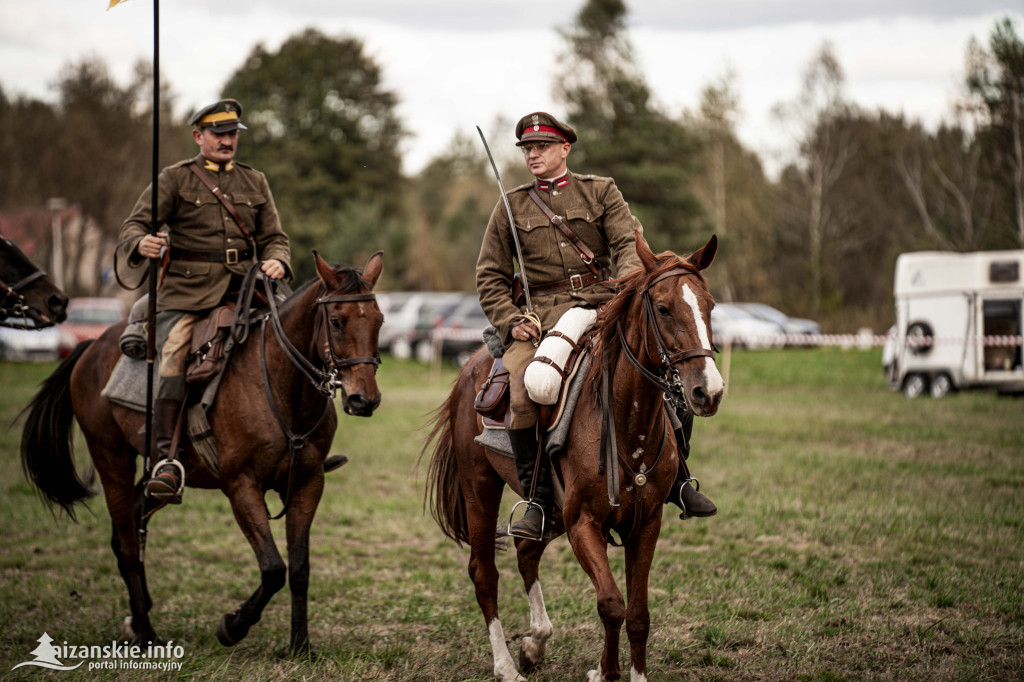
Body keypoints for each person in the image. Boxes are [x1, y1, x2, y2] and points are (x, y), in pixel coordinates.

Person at [475, 112, 716, 539]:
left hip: (604, 304)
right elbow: (490, 276)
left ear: (564, 149)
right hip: (540, 320)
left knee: (669, 376)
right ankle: (536, 500)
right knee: (525, 387)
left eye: (542, 147)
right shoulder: (510, 205)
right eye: (527, 149)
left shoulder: (601, 191)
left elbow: (628, 244)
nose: (533, 154)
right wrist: (511, 322)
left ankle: (679, 479)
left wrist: (620, 291)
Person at [116, 99, 292, 504]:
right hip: (187, 292)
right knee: (176, 351)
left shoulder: (255, 181)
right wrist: (141, 242)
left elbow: (275, 238)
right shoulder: (175, 180)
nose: (228, 140)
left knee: (294, 340)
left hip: (246, 289)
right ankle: (166, 460)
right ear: (199, 137)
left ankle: (301, 448)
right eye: (219, 134)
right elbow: (134, 226)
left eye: (233, 134)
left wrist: (278, 259)